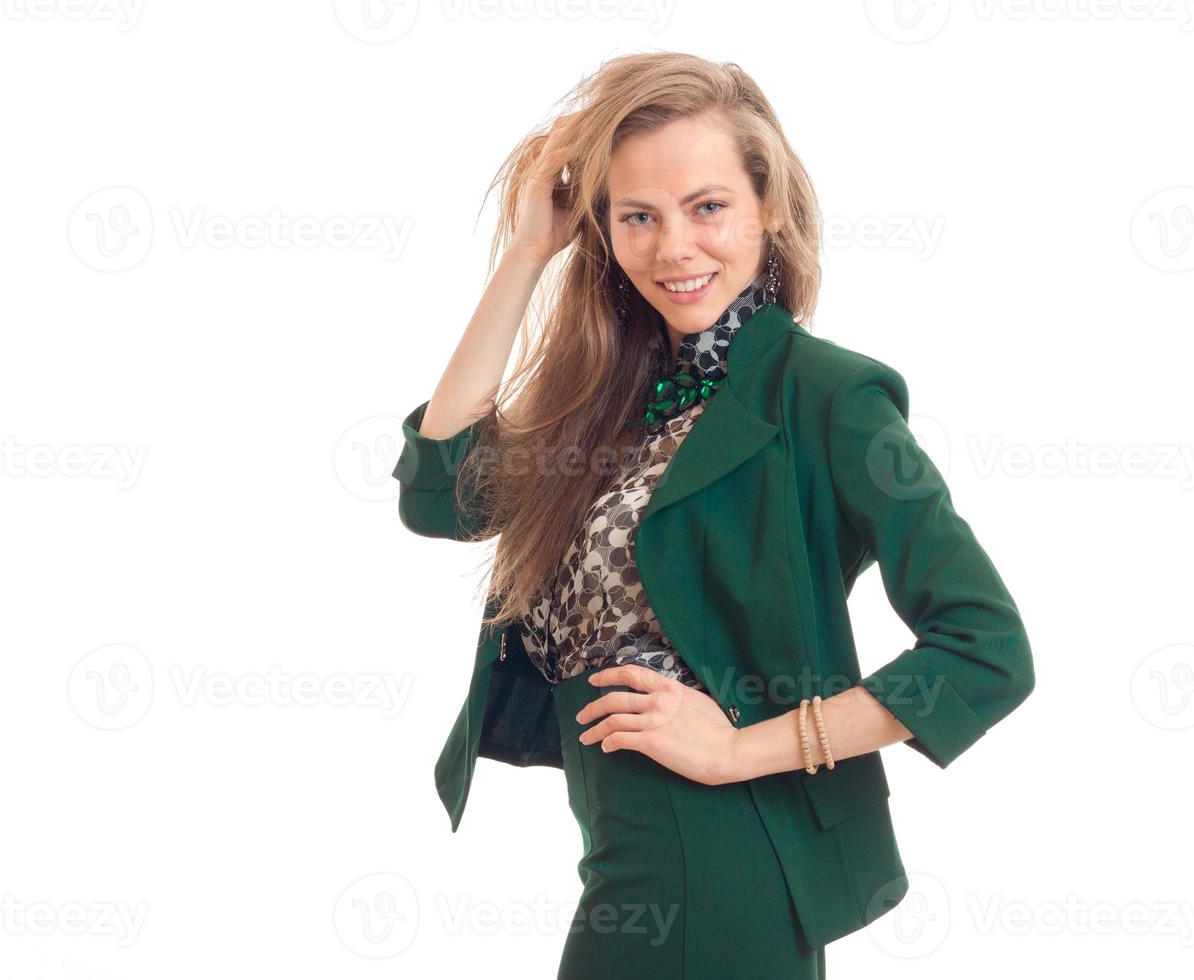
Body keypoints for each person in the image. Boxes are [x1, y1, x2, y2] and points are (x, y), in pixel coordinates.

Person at [390, 51, 1035, 979]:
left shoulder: (826, 396)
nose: (674, 248)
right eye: (637, 217)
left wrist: (743, 749)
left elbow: (986, 651)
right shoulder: (611, 399)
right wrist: (529, 251)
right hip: (630, 850)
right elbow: (439, 495)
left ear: (767, 208)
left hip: (723, 852)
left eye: (708, 207)